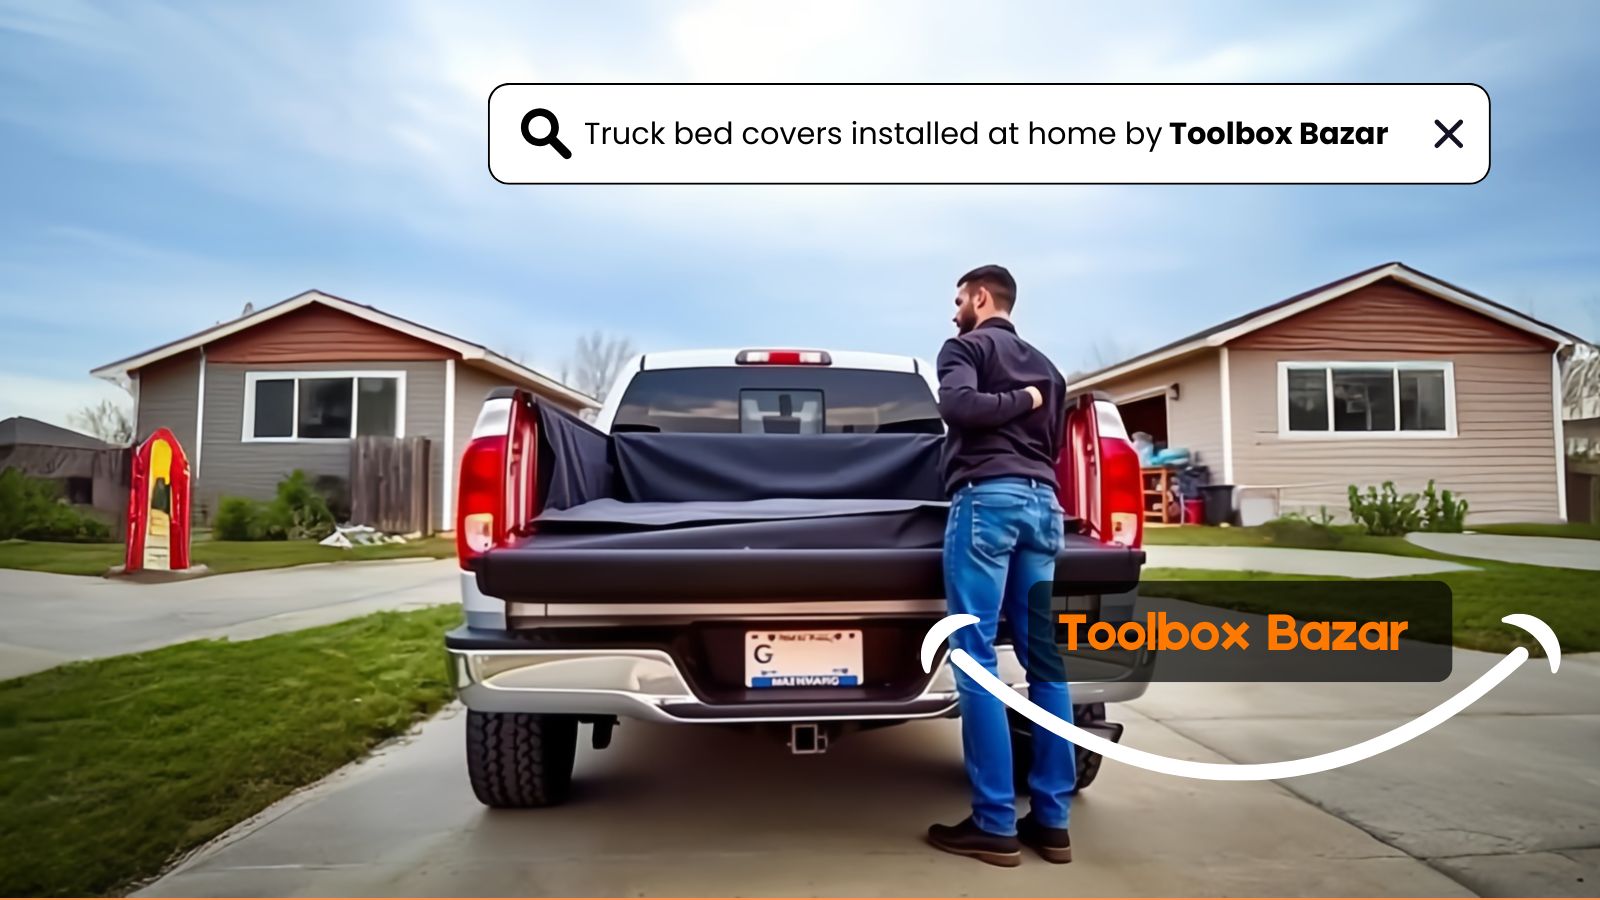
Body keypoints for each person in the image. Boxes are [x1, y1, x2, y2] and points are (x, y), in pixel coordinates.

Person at [926, 264, 1075, 867]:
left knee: (976, 659)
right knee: (1047, 662)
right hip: (1045, 506)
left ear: (981, 297)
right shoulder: (1052, 368)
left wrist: (1014, 399)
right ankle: (1053, 823)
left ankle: (993, 823)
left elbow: (956, 406)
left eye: (959, 298)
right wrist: (1033, 400)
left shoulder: (964, 347)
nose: (954, 309)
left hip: (988, 500)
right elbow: (1056, 444)